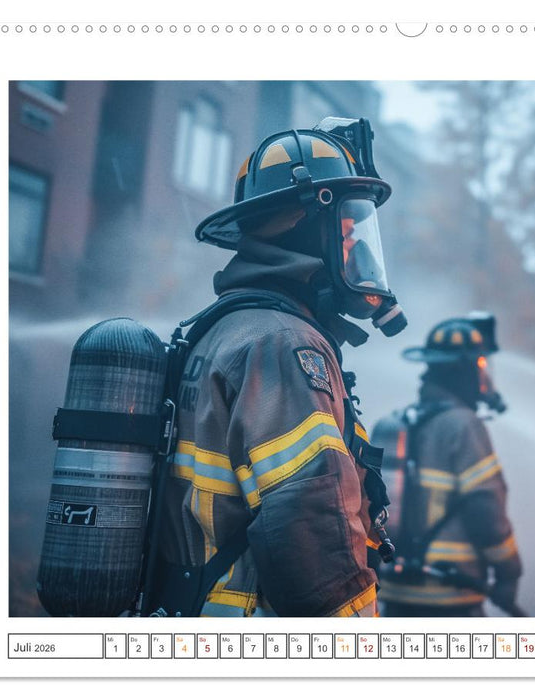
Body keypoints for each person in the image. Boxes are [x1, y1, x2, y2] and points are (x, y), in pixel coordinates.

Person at [146, 118, 406, 617]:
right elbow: (313, 535)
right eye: (348, 230)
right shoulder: (284, 345)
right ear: (305, 223)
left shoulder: (221, 331)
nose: (357, 248)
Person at [372, 314, 523, 617]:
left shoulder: (390, 425)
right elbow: (485, 509)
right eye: (480, 365)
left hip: (394, 597)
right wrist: (509, 571)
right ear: (465, 372)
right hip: (452, 597)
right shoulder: (464, 426)